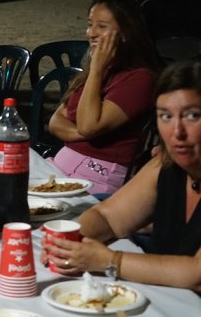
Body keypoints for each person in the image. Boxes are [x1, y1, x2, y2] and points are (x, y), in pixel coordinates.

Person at [43, 60, 201, 291]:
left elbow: (196, 274)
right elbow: (107, 217)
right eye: (165, 116)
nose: (177, 132)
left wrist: (108, 260)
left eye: (192, 116)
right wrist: (68, 242)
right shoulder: (165, 166)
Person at [48, 0, 160, 194]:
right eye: (90, 25)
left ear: (125, 33)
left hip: (98, 178)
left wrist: (97, 69)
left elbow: (89, 126)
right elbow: (56, 121)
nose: (91, 33)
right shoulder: (99, 71)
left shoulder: (140, 79)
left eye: (102, 26)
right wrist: (80, 133)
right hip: (61, 167)